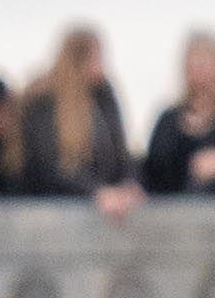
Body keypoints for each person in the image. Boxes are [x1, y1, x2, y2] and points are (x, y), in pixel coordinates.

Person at [19, 25, 136, 208]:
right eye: (97, 58)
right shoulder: (43, 101)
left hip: (104, 207)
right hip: (54, 208)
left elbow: (120, 151)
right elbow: (49, 165)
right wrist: (95, 192)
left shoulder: (103, 97)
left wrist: (129, 183)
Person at [137, 31, 215, 197]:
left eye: (206, 64)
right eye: (195, 65)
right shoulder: (167, 123)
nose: (201, 73)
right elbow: (150, 178)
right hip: (176, 210)